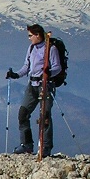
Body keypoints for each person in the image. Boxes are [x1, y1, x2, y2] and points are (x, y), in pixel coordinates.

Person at [6, 24, 62, 156]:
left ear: (38, 35)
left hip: (45, 85)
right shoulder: (31, 48)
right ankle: (26, 144)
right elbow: (27, 66)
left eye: (30, 35)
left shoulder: (50, 49)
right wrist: (16, 75)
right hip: (32, 85)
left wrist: (49, 73)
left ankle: (46, 147)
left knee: (45, 116)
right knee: (23, 113)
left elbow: (57, 67)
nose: (29, 38)